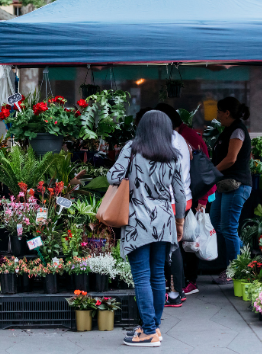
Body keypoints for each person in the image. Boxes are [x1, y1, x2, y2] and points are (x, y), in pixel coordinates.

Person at [107, 110, 185, 347]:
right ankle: (153, 327)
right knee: (158, 275)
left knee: (141, 276)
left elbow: (113, 176)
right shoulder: (173, 155)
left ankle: (149, 331)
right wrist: (179, 222)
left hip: (137, 221)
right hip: (164, 221)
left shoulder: (132, 148)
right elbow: (180, 194)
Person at [155, 102, 216, 297]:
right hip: (188, 196)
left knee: (188, 240)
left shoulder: (183, 137)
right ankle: (179, 286)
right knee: (182, 242)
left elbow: (202, 169)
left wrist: (203, 200)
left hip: (190, 196)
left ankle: (184, 284)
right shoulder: (182, 137)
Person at [210, 96, 252, 285]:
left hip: (237, 186)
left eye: (219, 111)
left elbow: (231, 159)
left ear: (227, 112)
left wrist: (211, 172)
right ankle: (245, 260)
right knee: (216, 222)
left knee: (228, 228)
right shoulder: (228, 130)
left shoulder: (237, 131)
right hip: (225, 185)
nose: (217, 114)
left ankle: (234, 270)